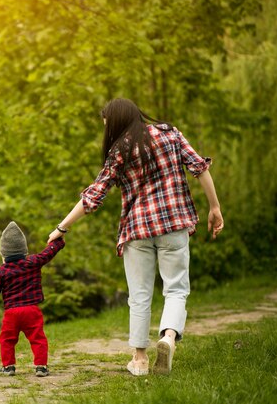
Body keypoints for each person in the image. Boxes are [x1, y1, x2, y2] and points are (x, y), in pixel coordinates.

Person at [47, 98, 224, 376]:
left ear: (116, 121)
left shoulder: (120, 150)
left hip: (137, 230)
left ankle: (140, 361)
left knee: (139, 295)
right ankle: (168, 338)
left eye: (107, 124)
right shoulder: (169, 133)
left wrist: (61, 227)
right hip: (174, 224)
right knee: (176, 289)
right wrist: (214, 207)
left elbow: (94, 195)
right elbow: (200, 168)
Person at [0, 221, 65, 377]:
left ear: (3, 254)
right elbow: (48, 253)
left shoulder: (2, 271)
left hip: (12, 313)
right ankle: (41, 367)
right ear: (24, 250)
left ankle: (8, 367)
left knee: (7, 340)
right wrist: (58, 241)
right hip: (32, 310)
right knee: (38, 338)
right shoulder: (33, 262)